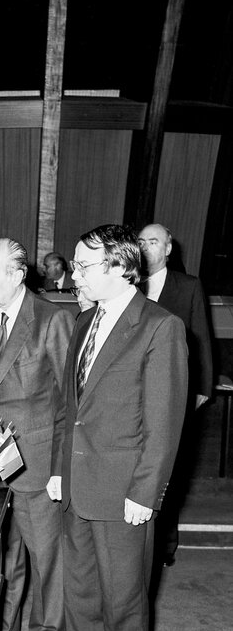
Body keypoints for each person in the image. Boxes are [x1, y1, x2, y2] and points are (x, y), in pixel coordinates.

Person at [41, 224, 188, 631]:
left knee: (124, 594)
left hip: (124, 488)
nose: (73, 275)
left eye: (83, 266)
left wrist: (147, 491)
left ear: (122, 268)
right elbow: (69, 408)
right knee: (80, 587)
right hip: (77, 483)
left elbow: (164, 422)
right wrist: (60, 469)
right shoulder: (83, 323)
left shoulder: (159, 327)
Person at [0, 238, 74, 631]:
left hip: (37, 460)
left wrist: (60, 468)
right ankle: (5, 625)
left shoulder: (54, 320)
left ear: (17, 275)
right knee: (1, 553)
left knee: (48, 556)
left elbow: (71, 402)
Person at [138, 223, 213, 567]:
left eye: (153, 241)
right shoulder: (128, 284)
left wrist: (201, 389)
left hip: (174, 394)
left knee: (171, 469)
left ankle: (165, 542)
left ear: (168, 249)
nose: (145, 247)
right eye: (141, 241)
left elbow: (201, 338)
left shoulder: (188, 286)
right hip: (134, 396)